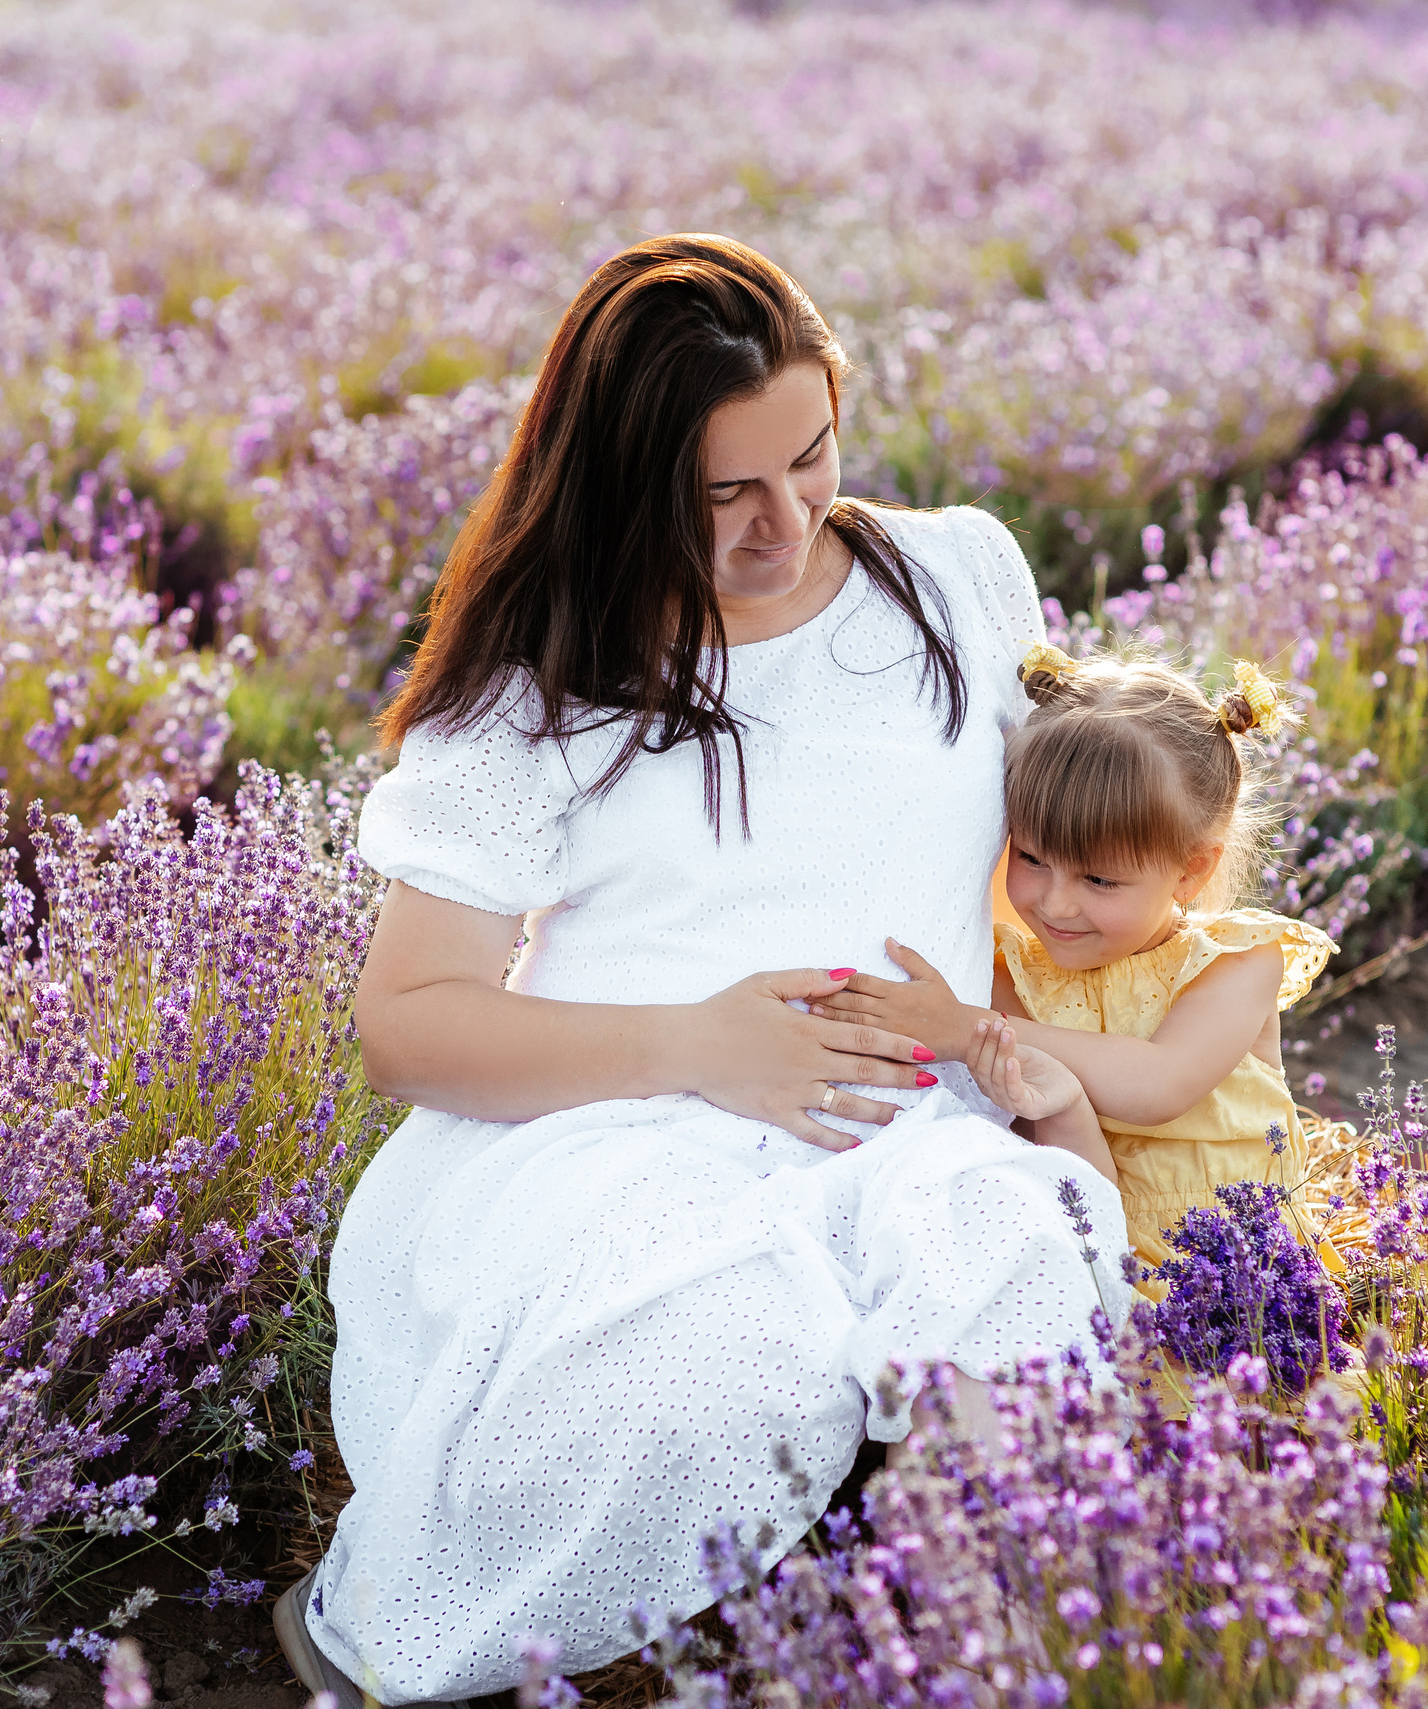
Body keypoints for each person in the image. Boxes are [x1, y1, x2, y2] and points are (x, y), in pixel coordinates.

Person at [273, 235, 1135, 1707]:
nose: (784, 524)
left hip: (923, 1127)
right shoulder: (544, 681)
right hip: (623, 1139)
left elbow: (1080, 836)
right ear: (619, 486)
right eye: (722, 495)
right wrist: (700, 1042)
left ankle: (928, 1642)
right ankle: (421, 1630)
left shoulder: (957, 576)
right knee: (709, 1371)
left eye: (810, 459)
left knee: (1021, 1283)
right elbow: (407, 1027)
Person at [813, 645, 1343, 1280]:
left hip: (1236, 1266)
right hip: (1087, 1242)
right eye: (1032, 858)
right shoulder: (1011, 972)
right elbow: (1045, 1137)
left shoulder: (1235, 961)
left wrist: (963, 1029)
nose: (1055, 902)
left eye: (1099, 879)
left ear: (1191, 869)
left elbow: (1158, 1085)